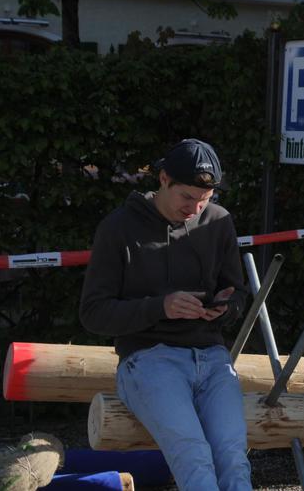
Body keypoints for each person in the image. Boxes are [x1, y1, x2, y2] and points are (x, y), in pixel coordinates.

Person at [80, 138, 252, 491]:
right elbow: (93, 313)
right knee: (194, 456)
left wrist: (226, 307)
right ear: (163, 179)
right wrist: (160, 306)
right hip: (147, 359)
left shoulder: (218, 221)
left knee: (234, 459)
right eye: (187, 196)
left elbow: (238, 294)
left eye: (205, 199)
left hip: (212, 356)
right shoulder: (118, 228)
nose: (195, 208)